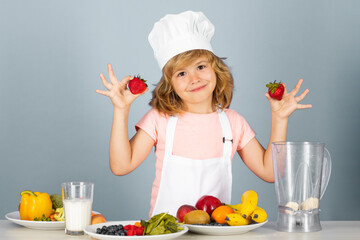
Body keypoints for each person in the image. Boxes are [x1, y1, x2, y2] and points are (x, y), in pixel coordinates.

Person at [96, 11, 312, 218]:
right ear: (170, 84)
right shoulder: (159, 119)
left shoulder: (233, 123)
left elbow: (270, 173)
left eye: (200, 66)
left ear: (216, 70)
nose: (194, 78)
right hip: (167, 234)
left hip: (217, 232)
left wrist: (280, 118)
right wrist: (121, 109)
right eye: (181, 73)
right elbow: (121, 166)